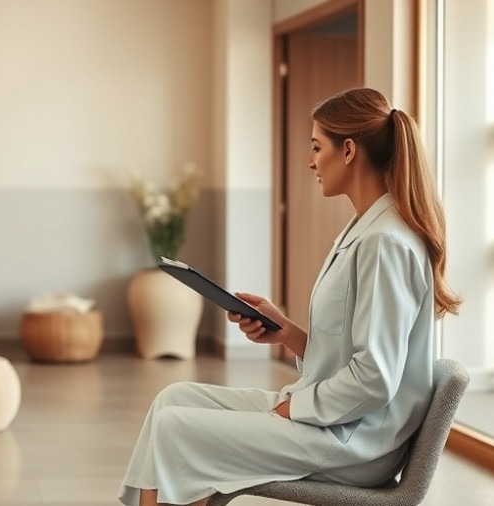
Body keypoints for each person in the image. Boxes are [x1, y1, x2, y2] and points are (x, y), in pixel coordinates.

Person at [118, 87, 462, 506]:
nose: (310, 161)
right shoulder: (365, 228)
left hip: (357, 440)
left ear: (349, 150)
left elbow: (374, 377)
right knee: (172, 400)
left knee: (177, 430)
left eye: (317, 147)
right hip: (337, 420)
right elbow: (353, 348)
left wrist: (292, 408)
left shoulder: (385, 243)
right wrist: (288, 333)